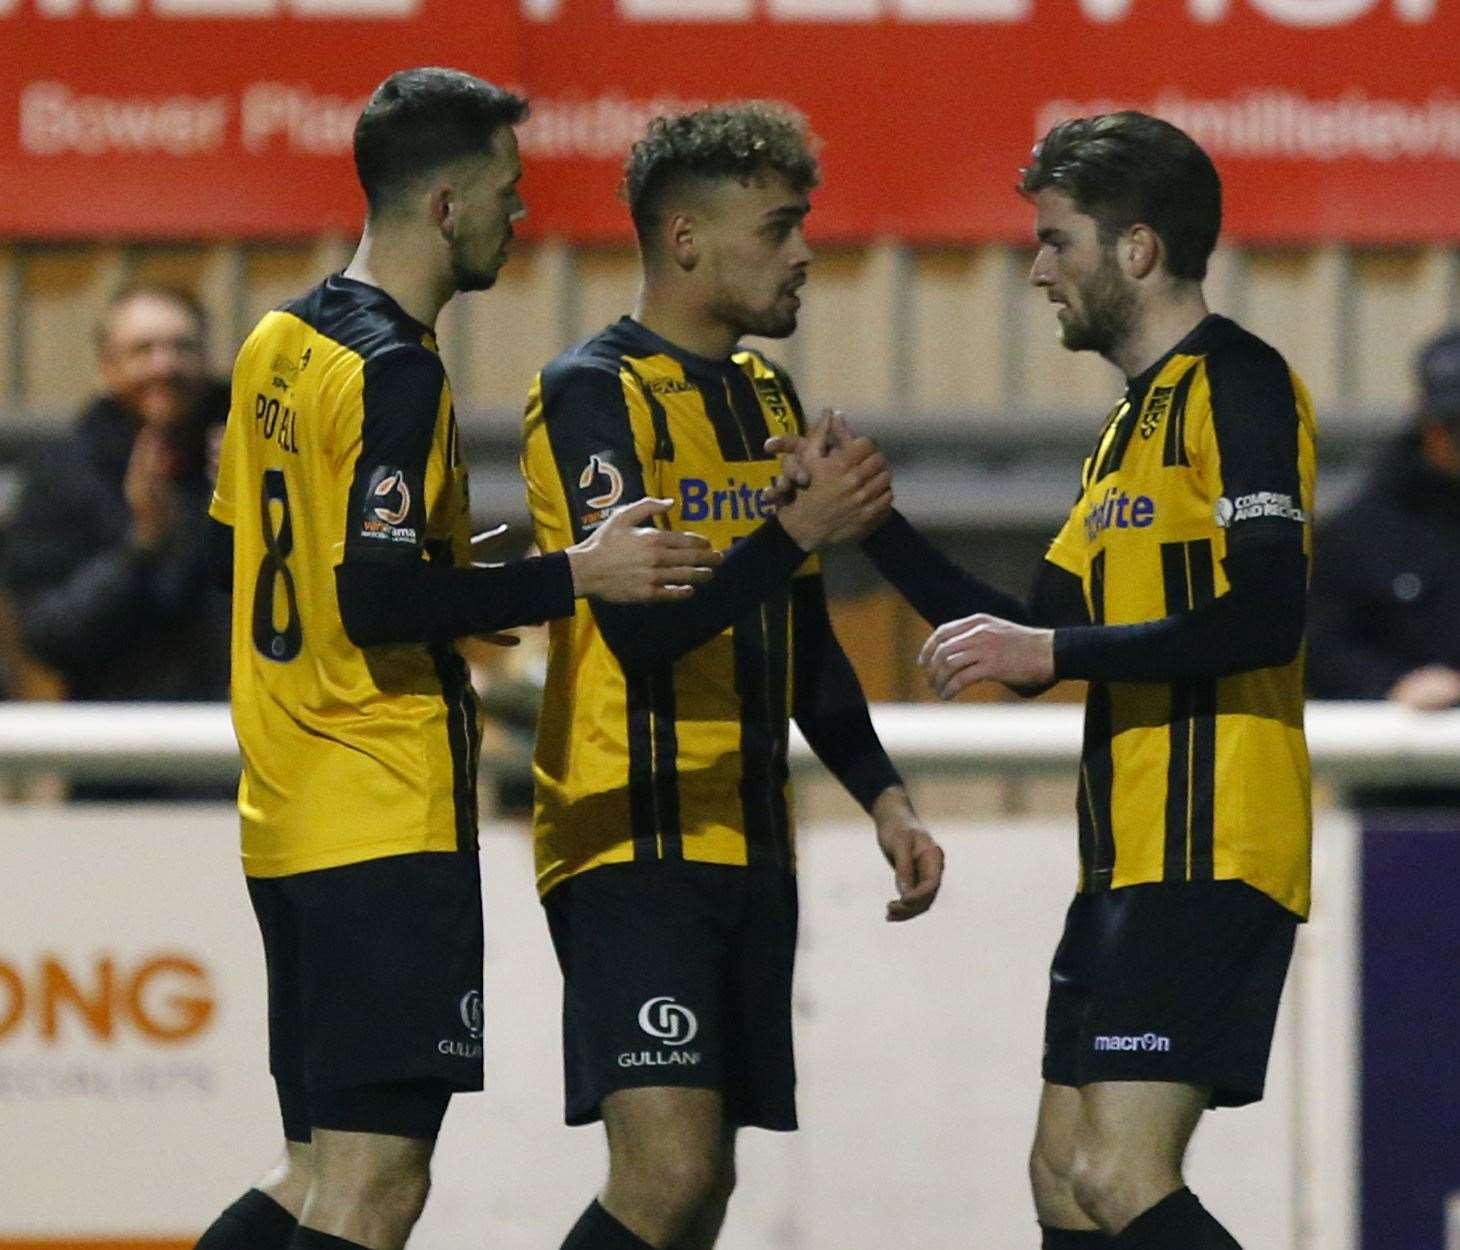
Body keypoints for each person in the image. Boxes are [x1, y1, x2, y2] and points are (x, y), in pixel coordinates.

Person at [195, 68, 720, 1250]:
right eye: (507, 190)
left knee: (308, 1169)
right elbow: (376, 602)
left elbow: (261, 544)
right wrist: (573, 574)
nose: (518, 214)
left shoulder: (279, 341)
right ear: (444, 203)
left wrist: (449, 568)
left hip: (285, 810)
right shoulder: (398, 367)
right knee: (375, 1188)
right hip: (380, 816)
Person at [775, 112, 1315, 1249]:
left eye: (1054, 240)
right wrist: (869, 523)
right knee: (1063, 1181)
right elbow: (1028, 634)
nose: (1033, 269)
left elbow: (1267, 614)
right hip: (1123, 858)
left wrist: (1055, 654)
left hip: (1209, 845)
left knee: (1117, 1173)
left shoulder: (1240, 382)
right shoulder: (1125, 430)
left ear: (1134, 249)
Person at [520, 102, 946, 1250]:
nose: (804, 251)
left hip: (749, 841)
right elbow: (644, 633)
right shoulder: (591, 391)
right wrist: (792, 535)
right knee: (666, 1172)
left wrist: (881, 791)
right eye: (778, 227)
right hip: (627, 839)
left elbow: (796, 633)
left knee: (701, 1195)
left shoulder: (762, 399)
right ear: (686, 239)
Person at [3, 284, 230, 795]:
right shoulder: (63, 475)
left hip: (248, 760)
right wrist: (141, 547)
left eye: (181, 347)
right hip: (116, 766)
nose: (163, 366)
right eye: (142, 350)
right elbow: (47, 634)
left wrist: (246, 517)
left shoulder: (261, 456)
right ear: (106, 368)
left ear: (207, 358)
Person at [1307, 326, 1460, 806]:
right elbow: (1321, 649)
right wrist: (1392, 688)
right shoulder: (1362, 534)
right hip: (1400, 806)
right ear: (1430, 425)